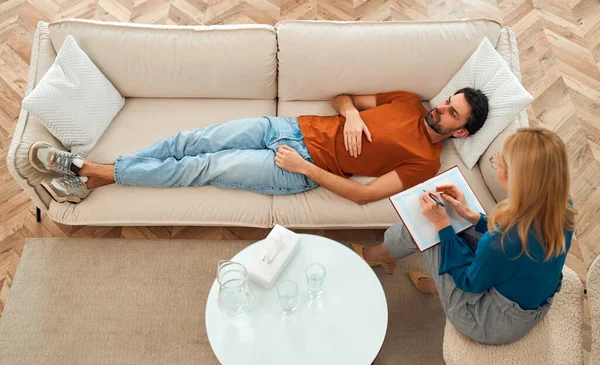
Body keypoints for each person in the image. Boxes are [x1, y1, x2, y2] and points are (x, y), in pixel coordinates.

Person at [28, 88, 488, 204]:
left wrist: (305, 170)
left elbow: (365, 195)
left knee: (203, 165)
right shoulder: (408, 101)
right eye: (448, 101)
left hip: (298, 166)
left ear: (460, 133)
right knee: (192, 139)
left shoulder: (425, 161)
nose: (441, 109)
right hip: (286, 125)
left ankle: (95, 170)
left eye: (452, 113)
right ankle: (94, 175)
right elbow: (343, 97)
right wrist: (349, 113)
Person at [352, 127, 577, 345]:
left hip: (490, 321)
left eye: (500, 160)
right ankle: (435, 283)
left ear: (516, 179)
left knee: (424, 224)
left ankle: (379, 255)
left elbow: (471, 282)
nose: (496, 159)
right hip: (530, 298)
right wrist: (470, 216)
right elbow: (515, 250)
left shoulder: (501, 241)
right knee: (447, 219)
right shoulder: (561, 206)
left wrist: (442, 226)